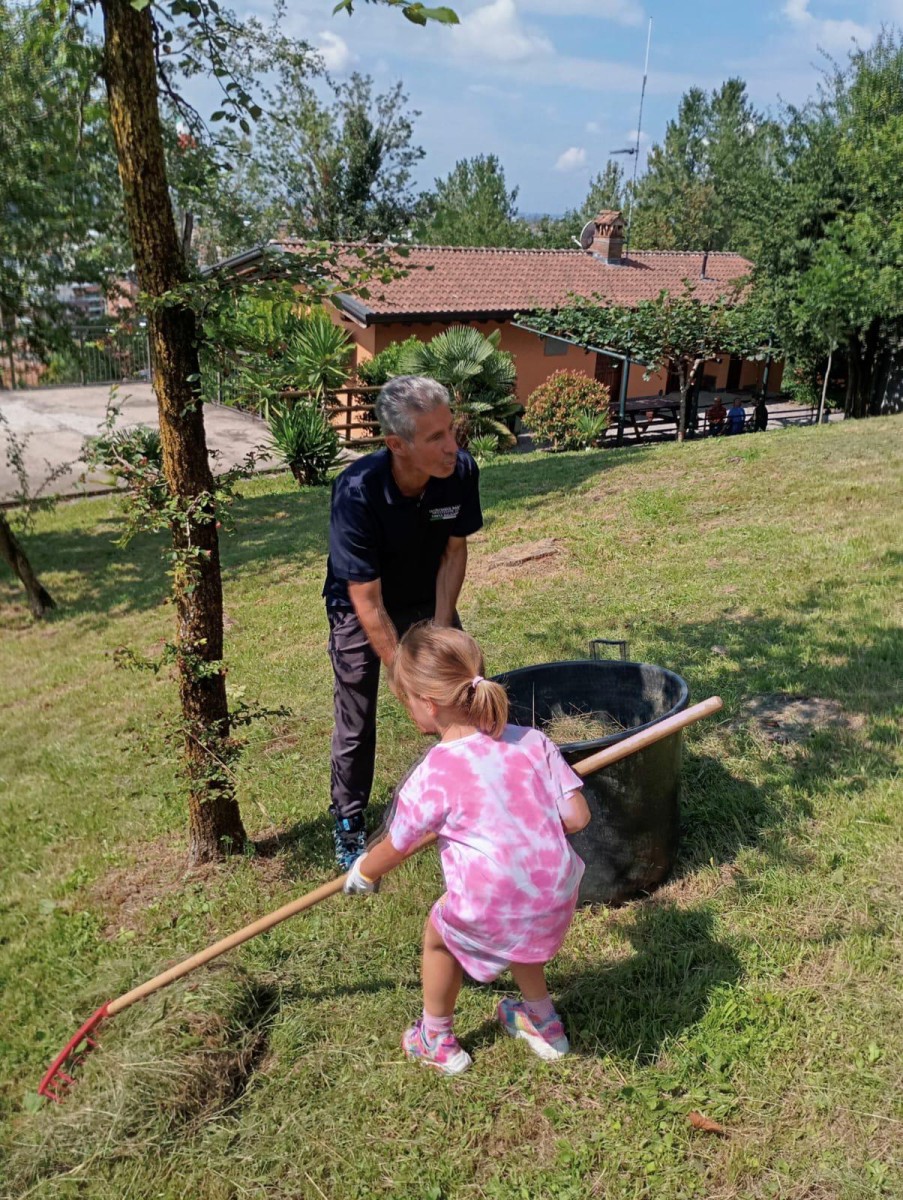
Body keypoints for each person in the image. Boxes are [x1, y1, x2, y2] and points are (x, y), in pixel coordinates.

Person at [343, 623, 592, 1075]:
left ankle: (435, 1038)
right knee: (518, 929)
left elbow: (397, 846)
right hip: (554, 894)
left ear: (428, 703)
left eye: (407, 701)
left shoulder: (432, 775)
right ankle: (544, 1023)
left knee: (440, 939)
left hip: (493, 901)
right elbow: (577, 818)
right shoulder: (532, 741)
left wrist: (364, 871)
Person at [323, 376, 483, 869]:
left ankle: (480, 788)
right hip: (360, 604)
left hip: (425, 592)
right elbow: (367, 600)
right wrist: (409, 683)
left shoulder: (460, 472)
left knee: (463, 686)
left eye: (450, 429)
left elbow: (453, 553)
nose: (452, 445)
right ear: (397, 444)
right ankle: (349, 820)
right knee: (357, 712)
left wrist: (441, 635)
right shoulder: (357, 491)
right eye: (435, 437)